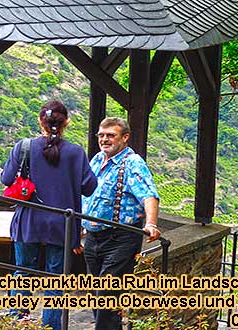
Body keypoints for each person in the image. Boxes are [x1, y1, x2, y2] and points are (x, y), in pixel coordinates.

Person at [1, 100, 97, 330]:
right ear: (67, 123)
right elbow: (90, 187)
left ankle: (18, 321)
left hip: (29, 220)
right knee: (56, 278)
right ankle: (51, 326)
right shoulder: (76, 152)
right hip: (62, 225)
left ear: (40, 121)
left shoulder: (23, 147)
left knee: (23, 271)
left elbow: (6, 179)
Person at [82, 117, 161, 330]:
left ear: (124, 138)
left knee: (107, 293)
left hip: (121, 238)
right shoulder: (97, 160)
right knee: (95, 293)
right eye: (101, 135)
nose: (104, 139)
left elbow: (149, 195)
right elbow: (88, 196)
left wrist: (151, 223)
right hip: (92, 237)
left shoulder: (132, 163)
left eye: (110, 135)